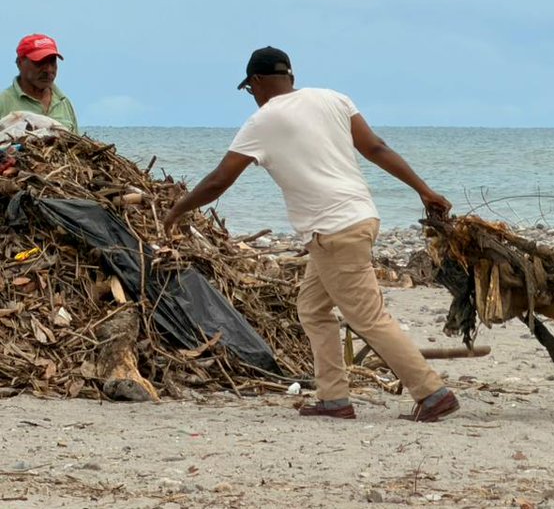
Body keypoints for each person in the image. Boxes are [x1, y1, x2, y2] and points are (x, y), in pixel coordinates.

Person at [163, 47, 459, 423]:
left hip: (333, 231)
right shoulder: (333, 99)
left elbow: (220, 179)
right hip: (357, 219)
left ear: (256, 83)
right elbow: (376, 148)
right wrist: (424, 189)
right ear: (290, 76)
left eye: (249, 90)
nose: (251, 97)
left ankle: (432, 393)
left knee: (369, 317)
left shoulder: (262, 121)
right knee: (312, 308)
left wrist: (177, 210)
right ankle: (333, 398)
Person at [0, 34, 78, 132]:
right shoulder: (3, 102)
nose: (49, 70)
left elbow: (78, 144)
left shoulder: (63, 102)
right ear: (20, 63)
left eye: (52, 62)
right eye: (40, 62)